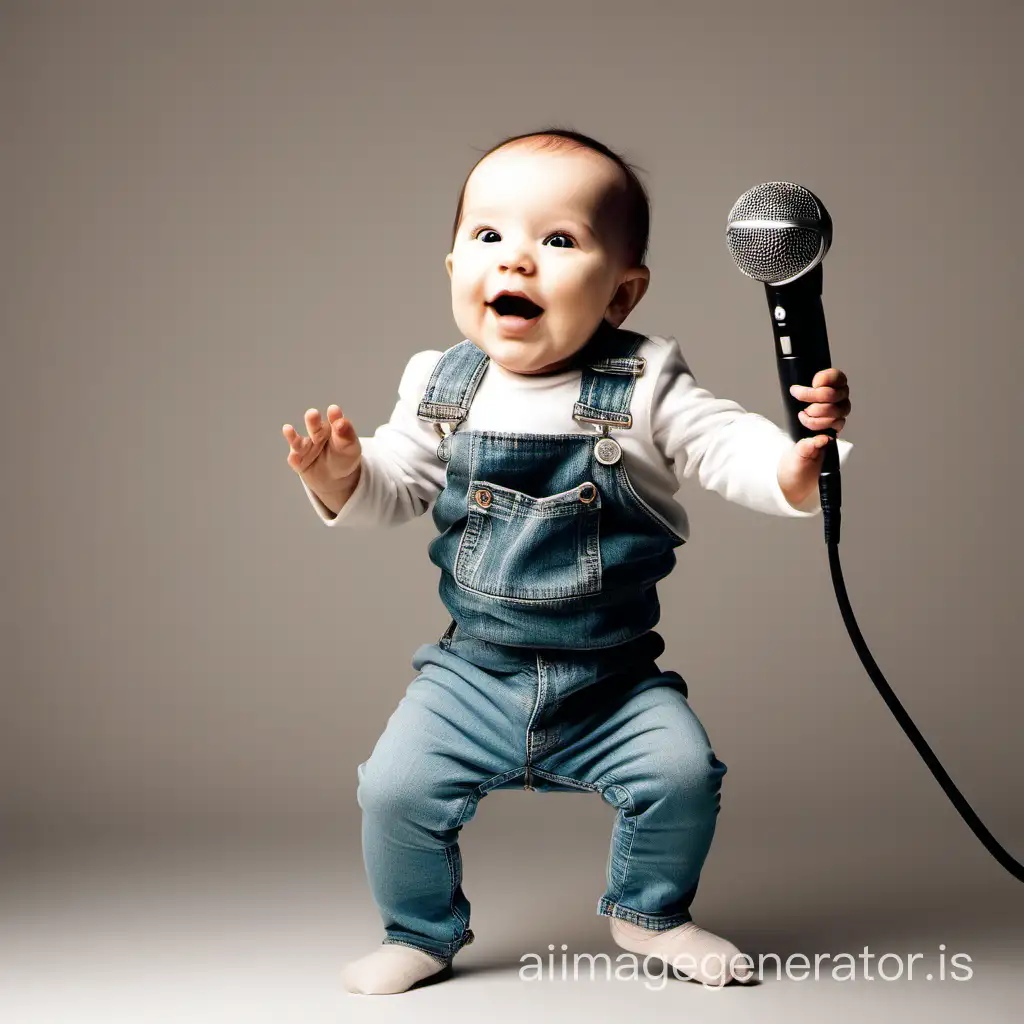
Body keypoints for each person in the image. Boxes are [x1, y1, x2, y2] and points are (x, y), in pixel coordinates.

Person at [281, 128, 853, 995]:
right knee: (393, 790)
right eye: (488, 237)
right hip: (472, 673)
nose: (515, 261)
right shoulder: (441, 382)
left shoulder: (646, 381)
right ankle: (420, 930)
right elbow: (394, 488)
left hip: (614, 678)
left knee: (681, 775)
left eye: (557, 241)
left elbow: (725, 445)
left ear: (622, 293)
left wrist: (795, 467)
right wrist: (344, 477)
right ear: (450, 271)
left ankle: (649, 914)